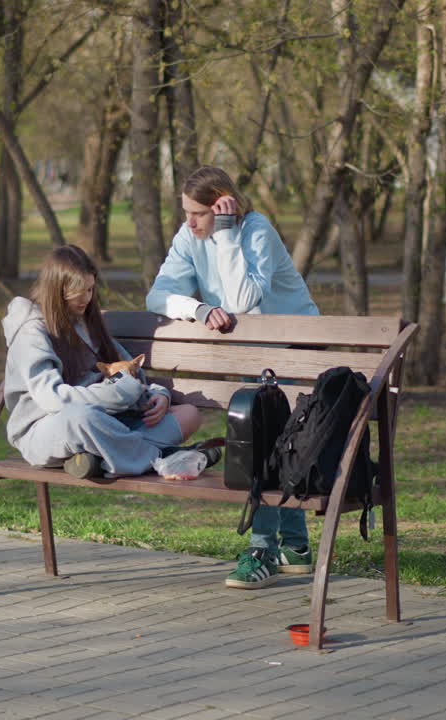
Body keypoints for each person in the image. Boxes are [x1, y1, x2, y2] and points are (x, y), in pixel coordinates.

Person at [146, 165, 319, 590]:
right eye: (186, 213)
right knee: (264, 439)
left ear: (223, 207)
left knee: (265, 440)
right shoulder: (190, 236)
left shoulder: (255, 230)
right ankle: (293, 547)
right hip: (256, 358)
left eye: (198, 214)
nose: (189, 222)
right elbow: (157, 294)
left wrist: (224, 233)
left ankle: (263, 548)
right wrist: (198, 309)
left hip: (296, 354)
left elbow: (242, 300)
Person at [3, 245, 214, 479]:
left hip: (111, 422)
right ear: (57, 290)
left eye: (90, 290)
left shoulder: (87, 323)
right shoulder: (31, 332)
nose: (86, 299)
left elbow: (129, 373)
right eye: (78, 292)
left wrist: (159, 394)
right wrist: (118, 395)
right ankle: (164, 458)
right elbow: (51, 398)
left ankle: (98, 458)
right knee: (82, 417)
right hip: (49, 428)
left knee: (189, 413)